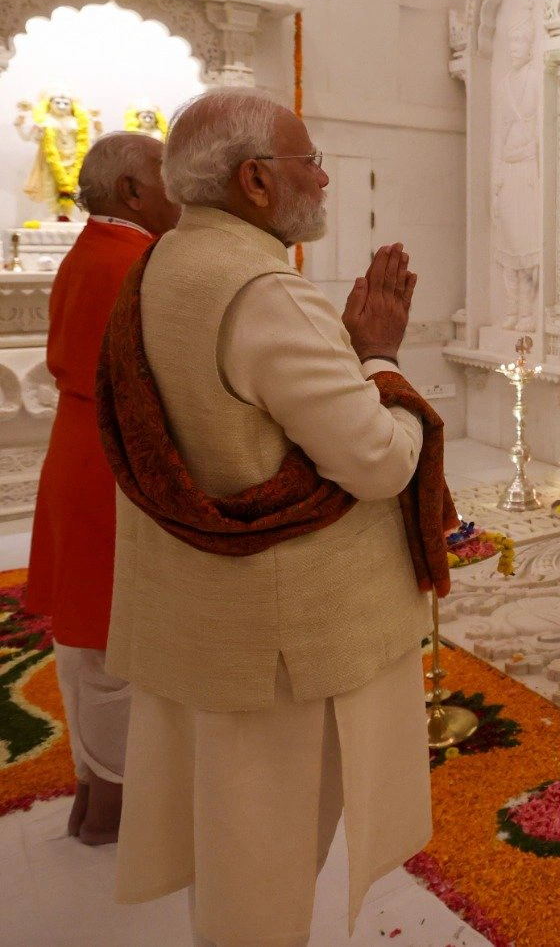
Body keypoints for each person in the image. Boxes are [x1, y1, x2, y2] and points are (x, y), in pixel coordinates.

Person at [97, 87, 454, 946]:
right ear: (257, 181)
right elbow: (376, 460)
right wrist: (380, 359)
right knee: (265, 866)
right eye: (310, 163)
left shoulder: (159, 266)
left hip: (200, 624)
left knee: (226, 850)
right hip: (280, 646)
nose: (325, 181)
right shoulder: (264, 292)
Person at [24, 132, 179, 845]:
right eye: (163, 173)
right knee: (115, 641)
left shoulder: (94, 247)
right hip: (113, 462)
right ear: (129, 193)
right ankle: (113, 797)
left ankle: (94, 784)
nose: (177, 184)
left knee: (85, 639)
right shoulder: (138, 263)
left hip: (79, 454)